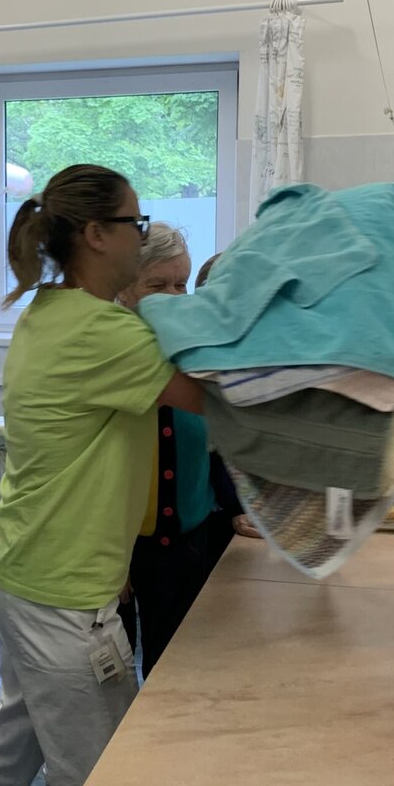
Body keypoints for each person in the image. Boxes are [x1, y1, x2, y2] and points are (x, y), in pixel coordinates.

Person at [0, 165, 203, 786]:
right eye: (134, 223)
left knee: (9, 744)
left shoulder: (50, 311)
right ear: (95, 234)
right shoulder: (100, 331)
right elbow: (212, 395)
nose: (141, 236)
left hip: (25, 565)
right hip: (62, 593)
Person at [116, 228, 259, 677]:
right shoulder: (113, 353)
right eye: (157, 285)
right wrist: (113, 560)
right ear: (124, 287)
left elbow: (218, 445)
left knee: (174, 669)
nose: (174, 297)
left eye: (180, 284)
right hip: (121, 545)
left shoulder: (197, 347)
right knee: (114, 668)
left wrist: (235, 507)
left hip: (185, 545)